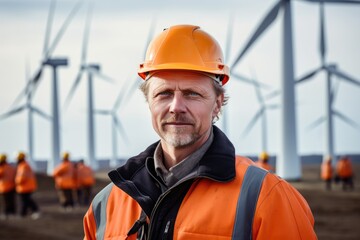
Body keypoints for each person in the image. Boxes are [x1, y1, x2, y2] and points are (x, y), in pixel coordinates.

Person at [83, 25, 316, 239]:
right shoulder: (107, 203)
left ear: (217, 103)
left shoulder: (266, 198)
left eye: (192, 94)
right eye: (163, 94)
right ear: (149, 102)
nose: (176, 107)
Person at [15, 151, 40, 219]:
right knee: (25, 200)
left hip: (25, 187)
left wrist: (16, 182)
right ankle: (24, 213)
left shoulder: (24, 166)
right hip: (26, 186)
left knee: (26, 200)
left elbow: (22, 177)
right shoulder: (24, 165)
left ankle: (33, 211)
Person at [0, 153, 17, 218]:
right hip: (12, 187)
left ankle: (7, 213)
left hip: (5, 188)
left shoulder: (2, 168)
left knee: (6, 202)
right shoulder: (10, 168)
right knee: (11, 201)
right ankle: (12, 213)